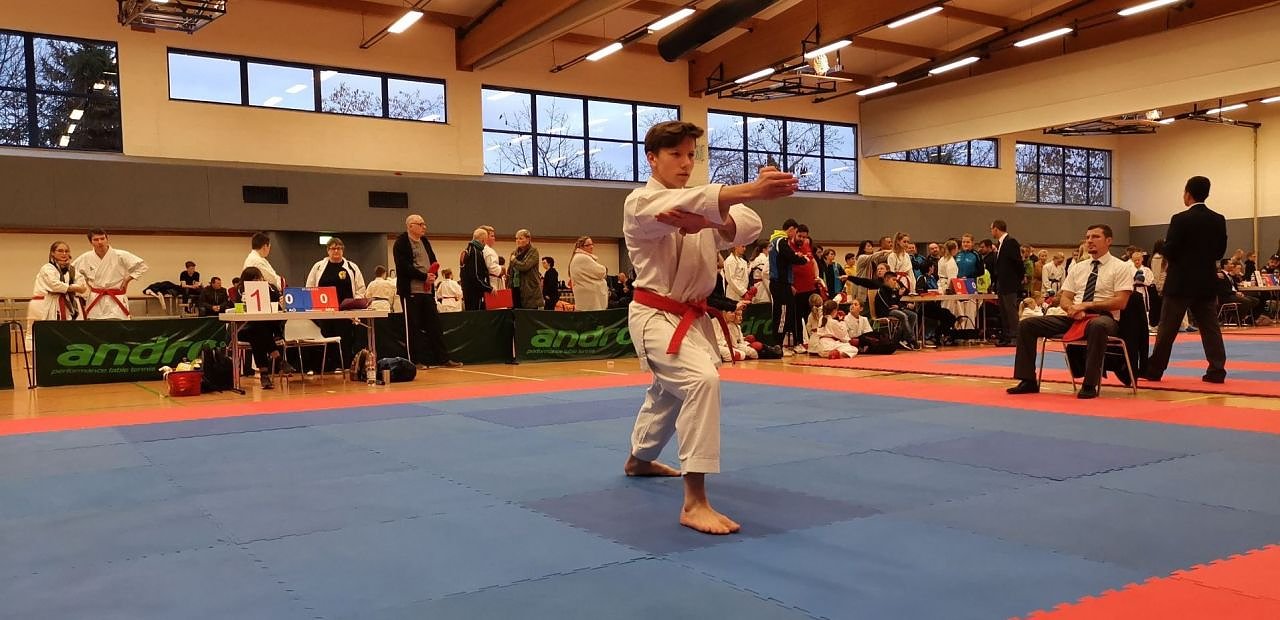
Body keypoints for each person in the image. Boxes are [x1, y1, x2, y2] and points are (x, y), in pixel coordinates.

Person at [622, 120, 792, 535]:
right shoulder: (639, 203)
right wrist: (751, 188)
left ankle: (639, 459)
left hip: (691, 318)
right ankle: (694, 502)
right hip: (654, 316)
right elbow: (692, 201)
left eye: (690, 155)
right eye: (675, 155)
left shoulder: (699, 207)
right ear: (652, 158)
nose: (685, 163)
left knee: (668, 394)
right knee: (701, 381)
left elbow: (749, 224)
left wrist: (709, 223)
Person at [1007, 224, 1135, 399]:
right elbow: (1065, 297)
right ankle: (1027, 380)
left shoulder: (1120, 267)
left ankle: (1090, 383)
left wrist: (1086, 305)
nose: (1089, 241)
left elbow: (1121, 301)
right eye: (1087, 237)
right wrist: (1071, 308)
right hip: (1076, 316)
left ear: (1109, 241)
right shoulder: (1078, 268)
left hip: (1104, 317)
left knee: (1097, 325)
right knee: (1027, 324)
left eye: (1095, 237)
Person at [1145, 176, 1228, 384]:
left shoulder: (1180, 219)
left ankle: (1155, 369)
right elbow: (1220, 252)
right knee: (1210, 328)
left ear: (1187, 194)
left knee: (1167, 328)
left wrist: (1165, 248)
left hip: (1181, 282)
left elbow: (1171, 250)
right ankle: (1217, 370)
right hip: (1206, 281)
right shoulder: (1218, 219)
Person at [393, 214, 461, 369]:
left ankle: (443, 358)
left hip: (428, 291)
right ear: (410, 226)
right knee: (413, 327)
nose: (424, 227)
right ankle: (414, 361)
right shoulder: (401, 242)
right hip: (411, 291)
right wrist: (423, 276)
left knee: (435, 325)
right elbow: (403, 266)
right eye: (420, 224)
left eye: (424, 224)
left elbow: (433, 261)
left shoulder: (425, 241)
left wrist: (432, 275)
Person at [235, 267, 294, 389]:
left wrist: (281, 300)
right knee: (258, 331)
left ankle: (264, 375)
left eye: (259, 278)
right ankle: (279, 360)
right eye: (254, 279)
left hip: (260, 330)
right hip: (244, 329)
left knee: (258, 335)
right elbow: (238, 309)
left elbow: (278, 301)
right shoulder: (241, 290)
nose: (258, 281)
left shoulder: (269, 287)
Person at [72, 228, 148, 320]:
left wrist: (128, 279)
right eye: (96, 239)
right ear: (91, 242)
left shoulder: (120, 255)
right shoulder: (85, 257)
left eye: (102, 238)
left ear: (107, 239)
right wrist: (84, 283)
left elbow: (142, 266)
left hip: (116, 298)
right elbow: (72, 272)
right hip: (96, 299)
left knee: (118, 325)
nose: (100, 242)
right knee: (95, 325)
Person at [30, 241, 87, 322]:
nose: (64, 253)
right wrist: (73, 288)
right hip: (54, 304)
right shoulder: (47, 268)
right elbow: (54, 285)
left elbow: (82, 285)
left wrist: (75, 288)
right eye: (60, 251)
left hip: (72, 304)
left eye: (66, 251)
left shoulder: (72, 270)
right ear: (52, 253)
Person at [990, 220, 1023, 346]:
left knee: (1010, 311)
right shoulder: (1000, 244)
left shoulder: (1010, 242)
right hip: (1002, 283)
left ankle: (1015, 337)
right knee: (1003, 311)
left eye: (991, 229)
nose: (991, 232)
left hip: (1009, 283)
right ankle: (1006, 337)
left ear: (996, 229)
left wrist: (1018, 279)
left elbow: (1018, 263)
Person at [304, 237, 367, 303]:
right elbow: (309, 287)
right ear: (328, 251)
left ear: (342, 250)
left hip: (347, 307)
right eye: (333, 248)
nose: (336, 251)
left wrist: (355, 302)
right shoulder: (318, 267)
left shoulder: (352, 267)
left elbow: (361, 289)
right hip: (324, 307)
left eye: (339, 248)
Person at [569, 236, 608, 311]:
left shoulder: (578, 257)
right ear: (581, 246)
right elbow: (600, 272)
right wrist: (605, 268)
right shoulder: (582, 257)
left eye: (592, 244)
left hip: (585, 296)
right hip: (589, 298)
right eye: (588, 245)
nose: (591, 247)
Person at [507, 229, 542, 309]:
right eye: (516, 239)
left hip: (529, 289)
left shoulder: (533, 251)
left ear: (528, 239)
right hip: (515, 287)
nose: (518, 241)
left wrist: (514, 260)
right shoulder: (514, 253)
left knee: (528, 313)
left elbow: (525, 266)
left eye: (520, 238)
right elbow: (510, 271)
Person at [460, 228, 493, 311]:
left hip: (467, 291)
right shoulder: (475, 252)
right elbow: (475, 276)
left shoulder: (468, 250)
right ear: (483, 240)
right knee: (476, 315)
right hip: (474, 293)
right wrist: (489, 288)